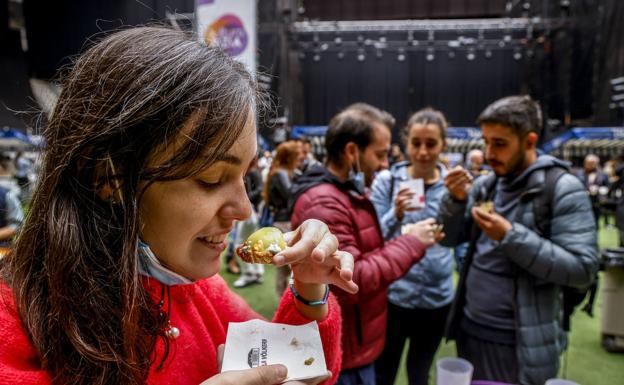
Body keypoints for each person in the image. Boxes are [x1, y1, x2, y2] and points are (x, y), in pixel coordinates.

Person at [0, 27, 358, 385]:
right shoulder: (14, 319)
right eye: (212, 179)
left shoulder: (196, 288)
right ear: (108, 177)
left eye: (245, 177)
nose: (244, 209)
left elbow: (299, 370)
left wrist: (309, 291)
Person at [438, 95, 599, 385]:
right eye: (486, 142)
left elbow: (582, 269)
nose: (488, 152)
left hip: (521, 341)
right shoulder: (488, 184)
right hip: (471, 329)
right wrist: (455, 200)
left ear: (529, 141)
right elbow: (449, 239)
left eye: (499, 143)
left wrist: (510, 236)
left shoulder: (562, 187)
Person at [290, 103, 442, 385]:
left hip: (352, 342)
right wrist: (412, 242)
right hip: (344, 352)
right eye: (381, 154)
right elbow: (351, 278)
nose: (386, 164)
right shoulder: (325, 202)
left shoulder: (342, 192)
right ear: (352, 152)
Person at [370, 108, 453, 385]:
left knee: (420, 373)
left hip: (436, 298)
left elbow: (461, 238)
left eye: (431, 144)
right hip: (395, 295)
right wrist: (396, 213)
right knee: (385, 372)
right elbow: (373, 239)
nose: (423, 152)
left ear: (443, 144)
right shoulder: (388, 180)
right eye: (416, 143)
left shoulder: (453, 187)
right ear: (406, 143)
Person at [264, 140, 303, 295]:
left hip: (284, 221)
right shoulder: (281, 173)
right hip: (284, 223)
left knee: (284, 264)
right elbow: (290, 194)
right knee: (291, 264)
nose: (300, 158)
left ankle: (284, 300)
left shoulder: (284, 172)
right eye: (297, 155)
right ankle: (289, 302)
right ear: (290, 157)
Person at [576, 154, 609, 227]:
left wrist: (600, 190)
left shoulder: (603, 174)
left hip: (597, 203)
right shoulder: (579, 173)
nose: (591, 165)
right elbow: (575, 187)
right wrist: (584, 192)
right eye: (589, 163)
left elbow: (607, 187)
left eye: (593, 163)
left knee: (596, 224)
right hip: (582, 203)